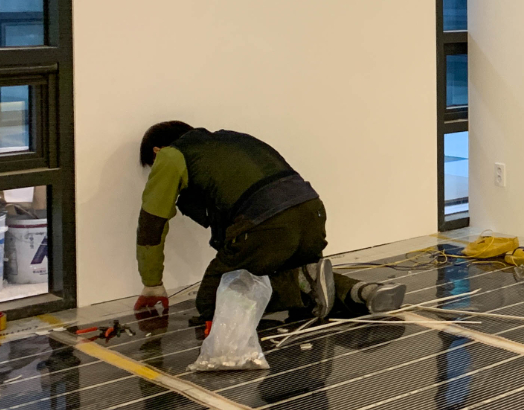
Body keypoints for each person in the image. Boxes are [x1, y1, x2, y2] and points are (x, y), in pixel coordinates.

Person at [132, 121, 402, 328]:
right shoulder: (233, 138)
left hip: (265, 224)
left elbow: (151, 225)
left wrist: (152, 284)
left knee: (212, 302)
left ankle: (302, 282)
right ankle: (363, 292)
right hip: (312, 212)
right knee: (307, 275)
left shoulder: (170, 156)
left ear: (157, 150)